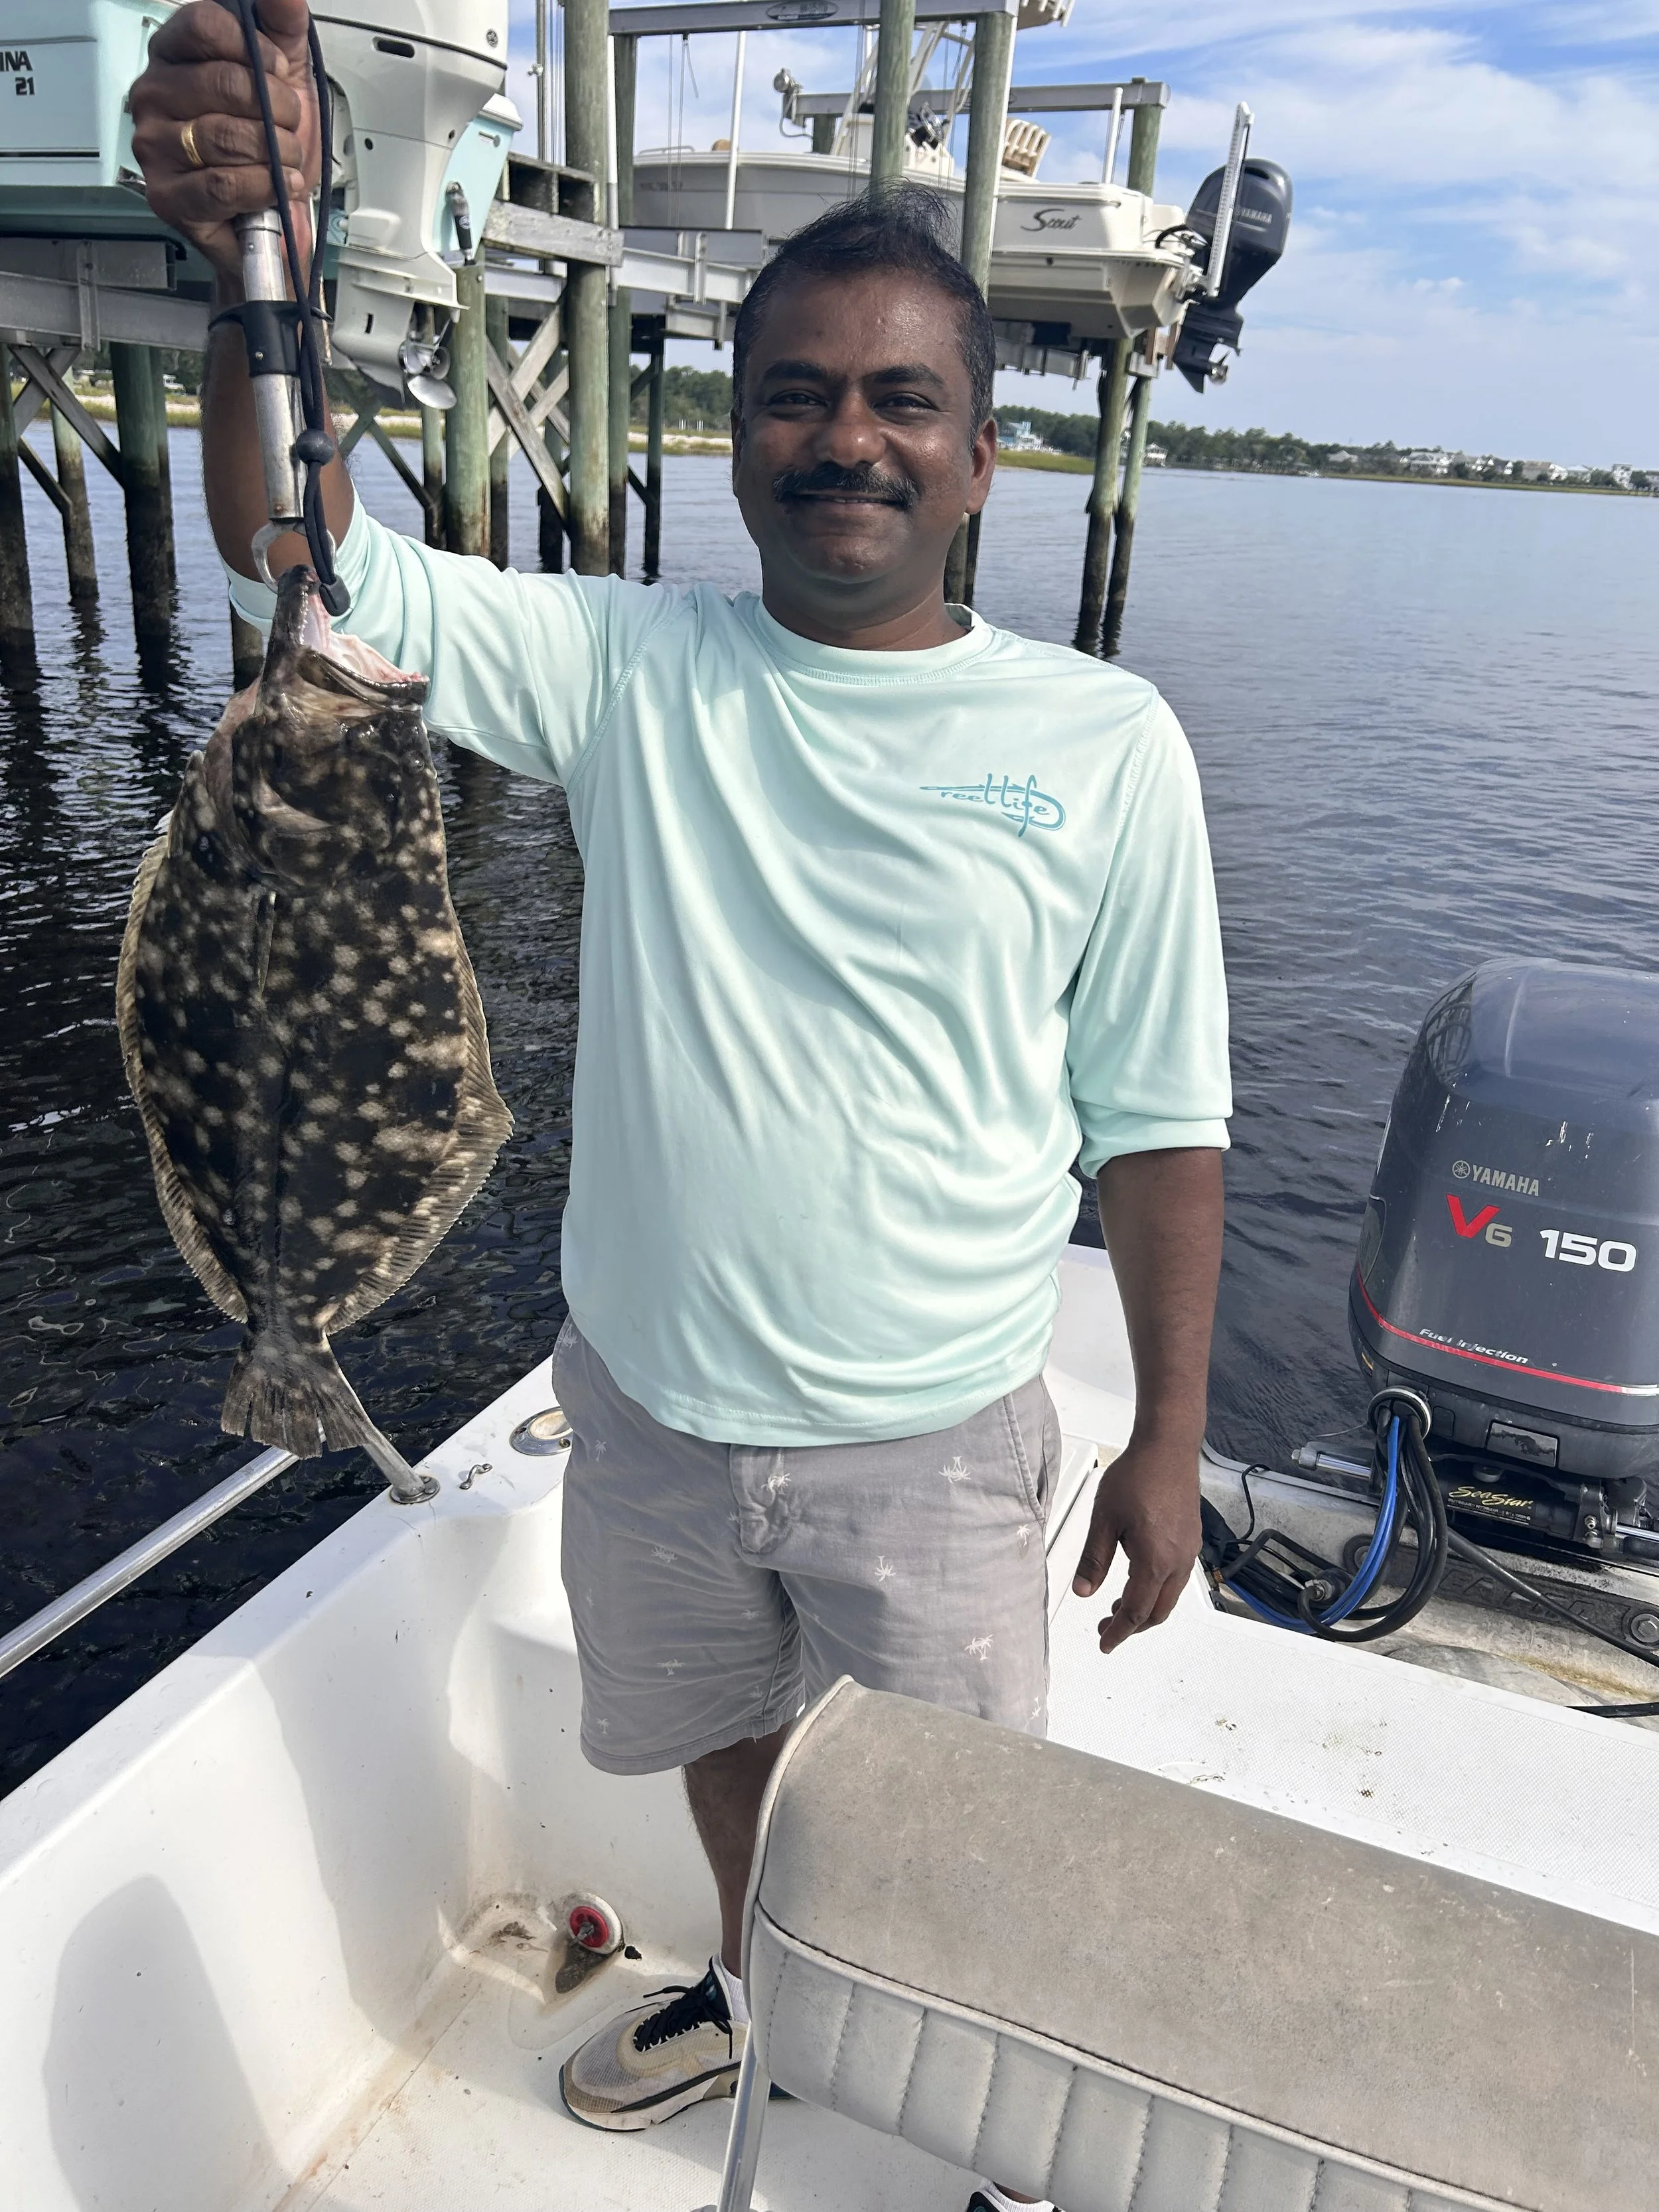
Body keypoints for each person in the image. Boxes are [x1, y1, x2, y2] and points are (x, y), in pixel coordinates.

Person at [130, 9, 1231, 2207]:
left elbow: (1163, 1117)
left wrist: (1173, 1435)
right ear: (735, 440)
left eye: (901, 399)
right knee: (723, 1755)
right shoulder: (636, 669)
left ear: (977, 456)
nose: (848, 438)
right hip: (641, 1407)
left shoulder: (1107, 744)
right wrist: (242, 266)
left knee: (941, 1830)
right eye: (799, 396)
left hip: (931, 1434)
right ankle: (764, 1992)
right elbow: (300, 556)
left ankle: (932, 2112)